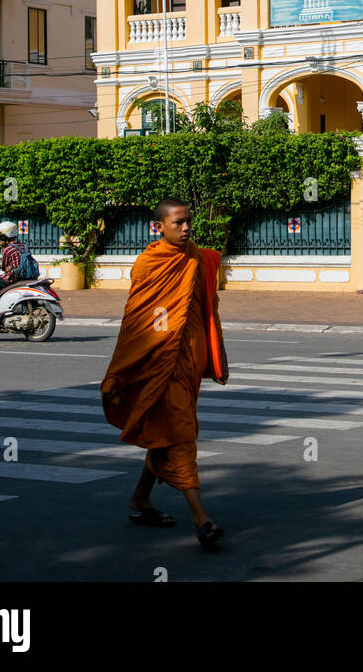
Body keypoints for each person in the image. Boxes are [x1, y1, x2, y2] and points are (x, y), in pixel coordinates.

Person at [101, 196, 229, 549]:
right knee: (180, 436)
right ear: (159, 227)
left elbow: (208, 310)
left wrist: (216, 357)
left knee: (165, 433)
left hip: (187, 360)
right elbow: (136, 323)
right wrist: (118, 373)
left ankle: (140, 500)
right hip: (159, 362)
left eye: (188, 221)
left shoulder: (196, 258)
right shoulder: (148, 264)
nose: (186, 227)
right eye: (178, 223)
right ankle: (201, 519)